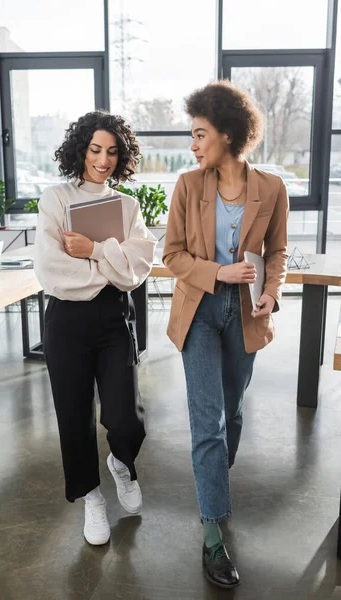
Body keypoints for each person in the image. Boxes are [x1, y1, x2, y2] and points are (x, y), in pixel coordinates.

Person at [162, 80, 289, 588]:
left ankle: (216, 475)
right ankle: (212, 534)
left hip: (246, 315)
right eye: (192, 136)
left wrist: (272, 294)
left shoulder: (272, 188)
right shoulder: (188, 187)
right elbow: (171, 255)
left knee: (231, 409)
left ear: (229, 134)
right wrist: (219, 273)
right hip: (199, 312)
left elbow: (277, 252)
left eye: (199, 134)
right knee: (207, 421)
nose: (193, 145)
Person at [34, 110, 157, 546]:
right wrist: (110, 262)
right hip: (66, 321)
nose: (103, 160)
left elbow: (140, 266)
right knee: (74, 415)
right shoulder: (55, 199)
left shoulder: (128, 206)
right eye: (95, 150)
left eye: (112, 152)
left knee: (125, 416)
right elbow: (50, 269)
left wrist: (92, 249)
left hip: (113, 318)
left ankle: (121, 463)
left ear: (120, 157)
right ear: (80, 150)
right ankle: (91, 498)